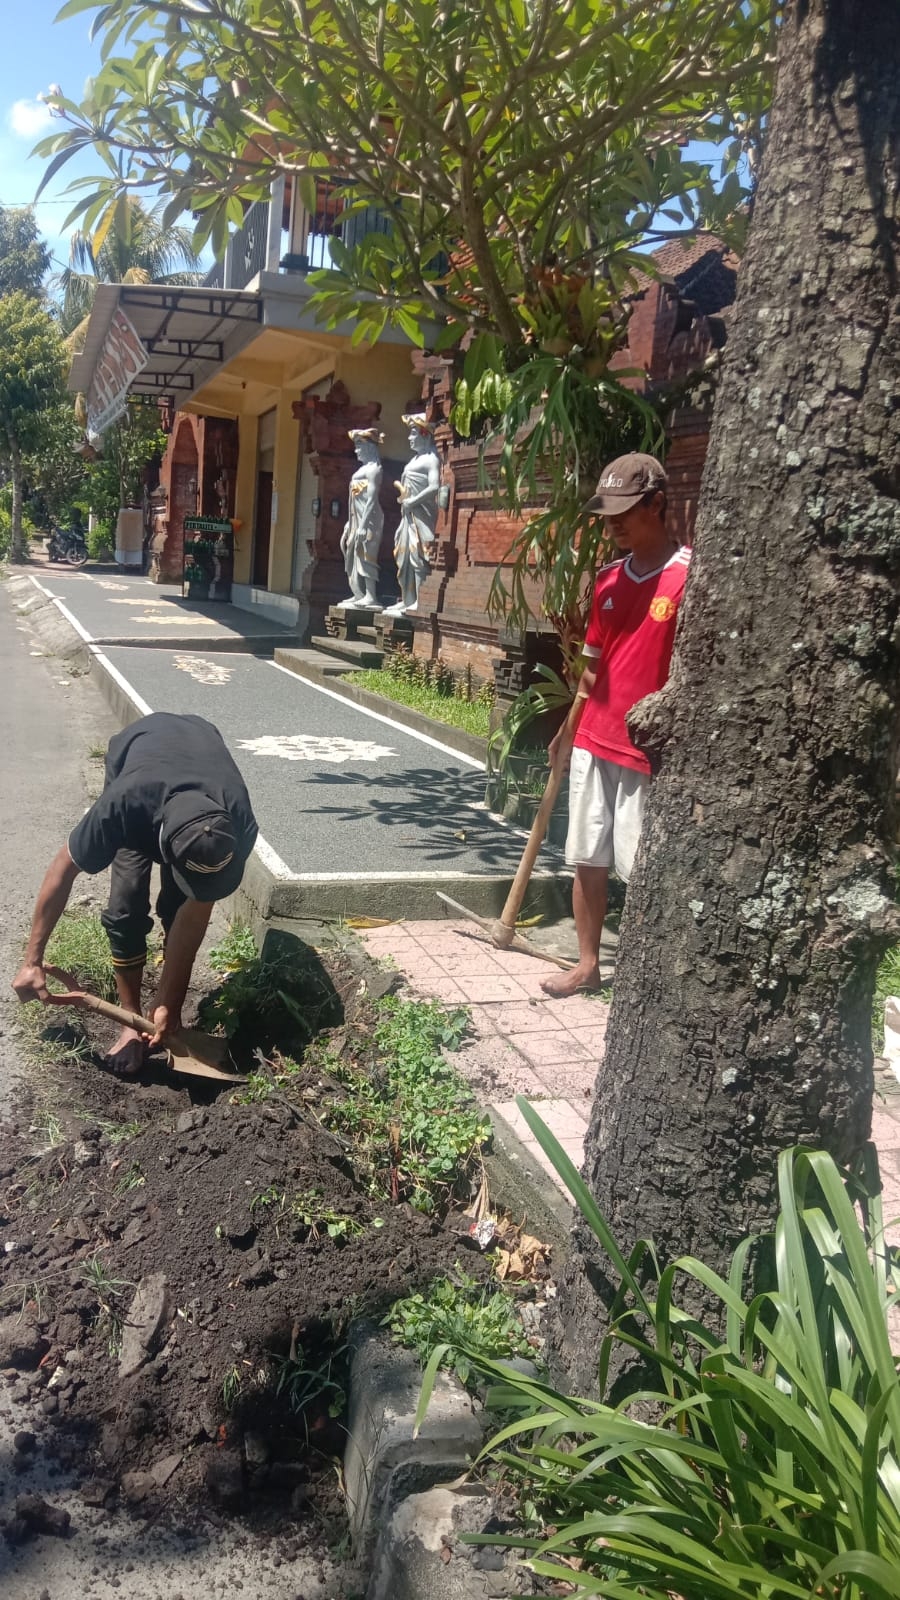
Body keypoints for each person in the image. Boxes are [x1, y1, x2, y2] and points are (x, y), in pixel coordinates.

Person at [12, 712, 258, 1075]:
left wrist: (168, 1004)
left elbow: (196, 914)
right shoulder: (123, 808)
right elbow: (63, 868)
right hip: (139, 750)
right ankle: (129, 1023)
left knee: (179, 909)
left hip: (200, 743)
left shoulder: (238, 823)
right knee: (125, 906)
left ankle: (159, 1014)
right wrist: (32, 960)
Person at [541, 453, 690, 999]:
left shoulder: (689, 579)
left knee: (641, 866)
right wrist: (566, 729)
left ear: (657, 503)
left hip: (645, 749)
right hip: (592, 738)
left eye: (626, 511)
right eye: (608, 515)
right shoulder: (607, 579)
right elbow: (591, 669)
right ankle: (587, 963)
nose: (614, 524)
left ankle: (647, 976)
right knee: (587, 857)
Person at [383, 414, 441, 615]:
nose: (409, 437)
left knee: (418, 556)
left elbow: (434, 487)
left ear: (425, 434)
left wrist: (413, 502)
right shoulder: (415, 459)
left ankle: (419, 599)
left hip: (422, 516)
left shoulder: (431, 459)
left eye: (413, 433)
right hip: (407, 516)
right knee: (403, 555)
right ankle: (407, 598)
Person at [337, 428, 385, 610]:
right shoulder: (362, 469)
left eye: (359, 447)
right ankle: (358, 592)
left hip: (370, 520)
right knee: (351, 552)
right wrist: (350, 523)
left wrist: (363, 525)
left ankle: (371, 596)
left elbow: (372, 499)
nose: (356, 451)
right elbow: (354, 502)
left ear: (369, 448)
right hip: (357, 520)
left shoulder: (374, 470)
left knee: (366, 555)